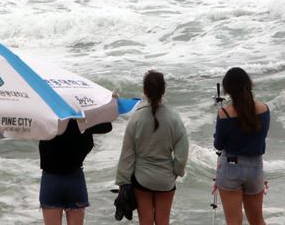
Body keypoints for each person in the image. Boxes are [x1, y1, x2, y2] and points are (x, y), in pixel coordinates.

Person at [115, 70, 189, 225]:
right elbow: (181, 155)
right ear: (164, 90)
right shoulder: (174, 118)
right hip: (166, 178)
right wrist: (175, 173)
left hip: (141, 179)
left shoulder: (135, 118)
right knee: (163, 221)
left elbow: (127, 155)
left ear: (144, 91)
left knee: (146, 221)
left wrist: (123, 181)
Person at [214, 67, 270, 225]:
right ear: (248, 84)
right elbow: (261, 136)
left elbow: (218, 144)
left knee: (233, 221)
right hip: (255, 167)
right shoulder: (264, 109)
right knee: (257, 220)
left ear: (227, 89)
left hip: (232, 164)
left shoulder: (225, 113)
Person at [38, 119, 112, 225]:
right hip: (75, 179)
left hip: (51, 180)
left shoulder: (48, 115)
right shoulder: (81, 117)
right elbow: (107, 126)